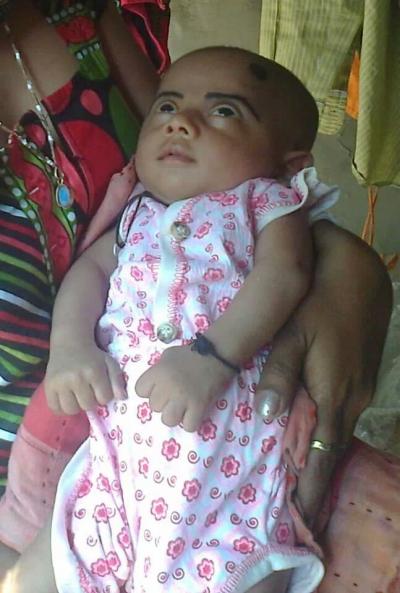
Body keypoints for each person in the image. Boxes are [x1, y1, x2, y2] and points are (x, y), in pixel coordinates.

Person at [0, 0, 393, 587]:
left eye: (224, 111)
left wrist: (214, 355)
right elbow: (89, 276)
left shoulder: (260, 202)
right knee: (44, 573)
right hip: (111, 470)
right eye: (168, 107)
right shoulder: (138, 217)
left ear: (288, 166)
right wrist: (72, 347)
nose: (179, 122)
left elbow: (285, 274)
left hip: (231, 479)